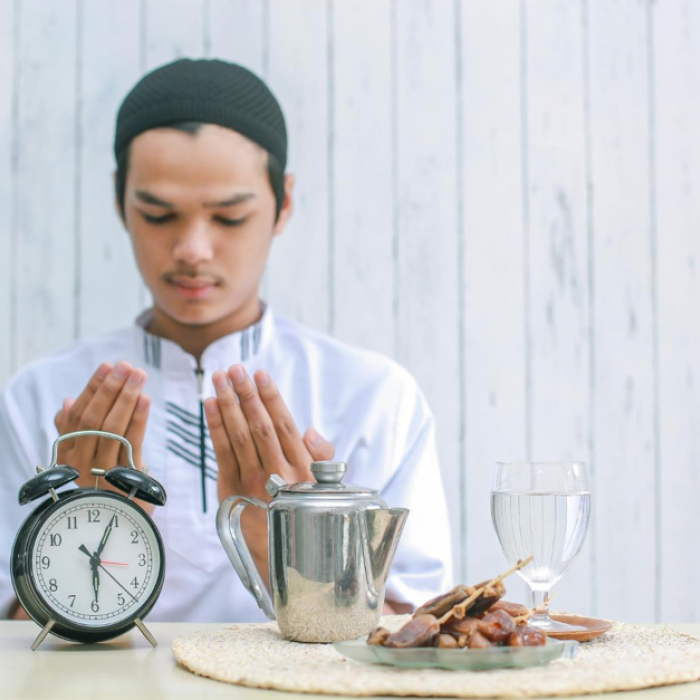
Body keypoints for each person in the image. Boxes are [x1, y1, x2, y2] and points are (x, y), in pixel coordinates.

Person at [0, 58, 452, 622]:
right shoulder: (41, 400)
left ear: (283, 203)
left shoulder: (374, 398)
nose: (193, 248)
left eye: (230, 217)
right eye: (159, 214)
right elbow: (12, 650)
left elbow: (419, 636)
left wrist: (282, 551)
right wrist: (78, 531)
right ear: (120, 201)